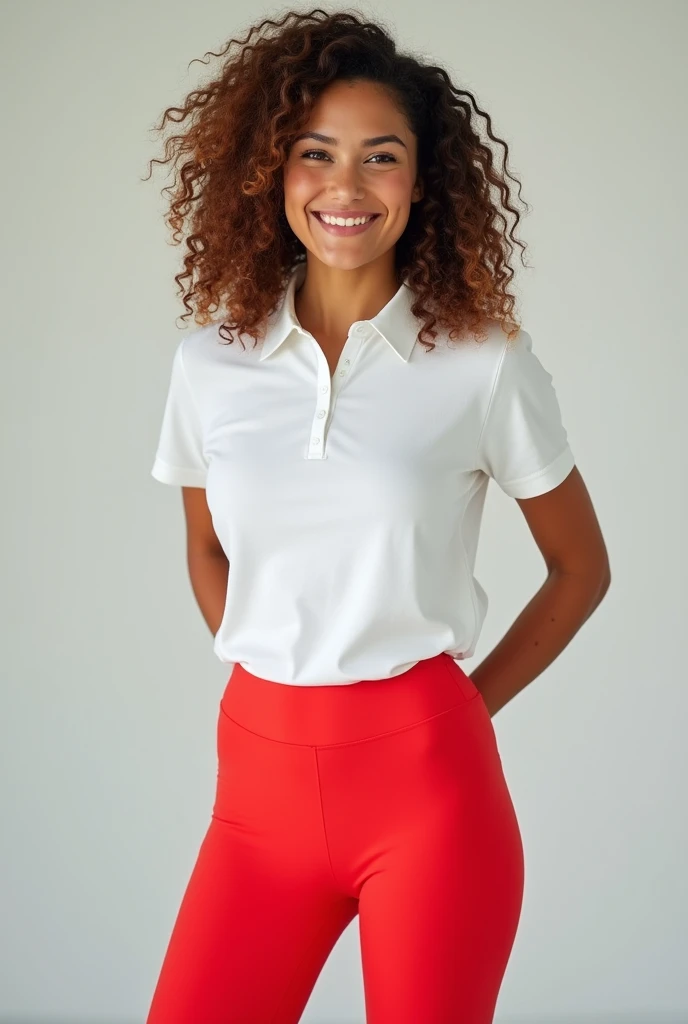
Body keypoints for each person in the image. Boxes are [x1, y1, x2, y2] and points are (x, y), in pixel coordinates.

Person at [144, 9, 611, 1023]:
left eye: (380, 156)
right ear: (271, 169)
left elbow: (580, 569)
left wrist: (447, 715)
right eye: (316, 153)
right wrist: (267, 650)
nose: (345, 187)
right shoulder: (210, 363)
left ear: (421, 179)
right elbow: (206, 540)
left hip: (428, 799)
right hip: (254, 790)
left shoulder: (482, 362)